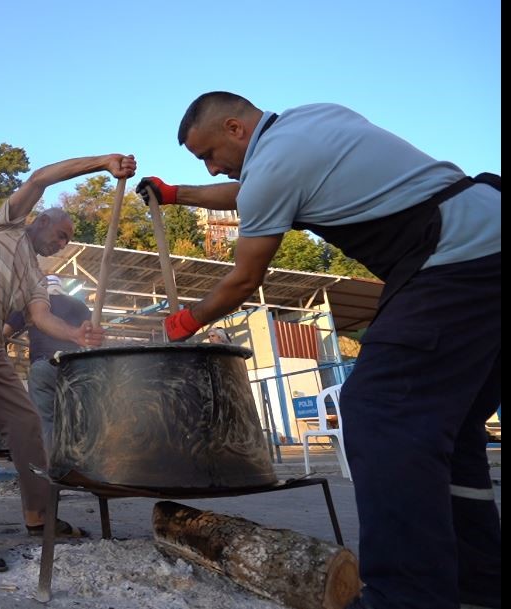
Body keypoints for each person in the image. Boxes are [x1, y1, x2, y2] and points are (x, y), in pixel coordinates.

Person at [140, 92, 500, 609]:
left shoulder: (274, 167)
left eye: (208, 155)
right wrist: (178, 195)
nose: (212, 167)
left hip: (458, 254)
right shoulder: (311, 122)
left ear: (236, 128)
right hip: (490, 231)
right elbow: (253, 193)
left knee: (381, 414)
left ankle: (405, 596)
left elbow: (244, 280)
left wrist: (185, 321)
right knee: (455, 428)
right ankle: (482, 582)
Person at [0, 151, 135, 572]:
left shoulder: (34, 276)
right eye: (60, 235)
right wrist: (102, 163)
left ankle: (39, 515)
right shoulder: (5, 224)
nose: (61, 244)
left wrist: (77, 334)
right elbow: (42, 177)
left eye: (66, 242)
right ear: (41, 221)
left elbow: (41, 316)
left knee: (26, 426)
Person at [5, 274, 92, 450]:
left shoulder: (32, 304)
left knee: (46, 420)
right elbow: (90, 337)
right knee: (77, 418)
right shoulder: (80, 306)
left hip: (44, 366)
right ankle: (78, 465)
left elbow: (4, 333)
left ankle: (51, 468)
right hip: (74, 367)